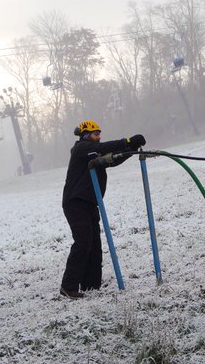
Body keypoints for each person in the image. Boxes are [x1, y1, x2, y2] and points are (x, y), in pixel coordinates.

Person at [59, 120, 146, 299]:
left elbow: (111, 160)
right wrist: (128, 141)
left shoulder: (93, 154)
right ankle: (68, 286)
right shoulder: (81, 149)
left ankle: (91, 285)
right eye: (95, 134)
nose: (99, 137)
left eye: (99, 134)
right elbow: (107, 147)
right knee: (83, 242)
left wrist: (131, 150)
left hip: (90, 203)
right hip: (75, 203)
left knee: (94, 245)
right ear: (85, 136)